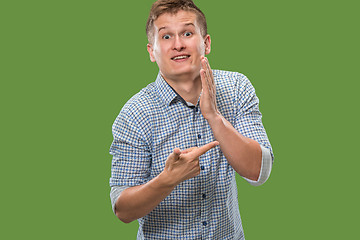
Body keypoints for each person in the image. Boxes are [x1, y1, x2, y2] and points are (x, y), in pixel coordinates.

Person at [109, 0, 274, 239]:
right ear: (151, 51)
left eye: (187, 33)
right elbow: (122, 209)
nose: (178, 45)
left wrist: (214, 117)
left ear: (206, 43)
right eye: (166, 37)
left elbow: (259, 172)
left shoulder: (237, 87)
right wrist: (167, 180)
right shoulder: (135, 114)